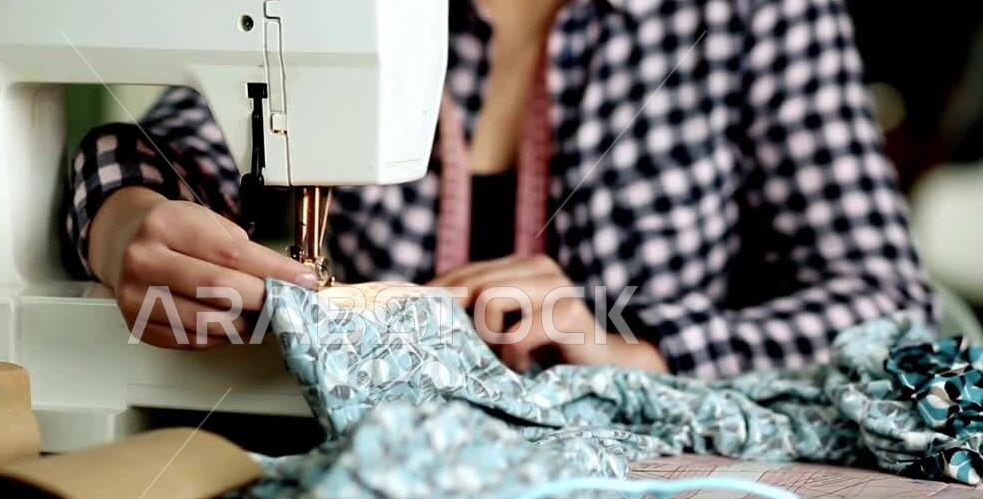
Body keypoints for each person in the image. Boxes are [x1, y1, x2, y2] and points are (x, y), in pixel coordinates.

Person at [63, 0, 938, 379]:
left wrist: (639, 347)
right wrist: (126, 217)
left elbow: (890, 311)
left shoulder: (754, 12)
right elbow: (182, 142)